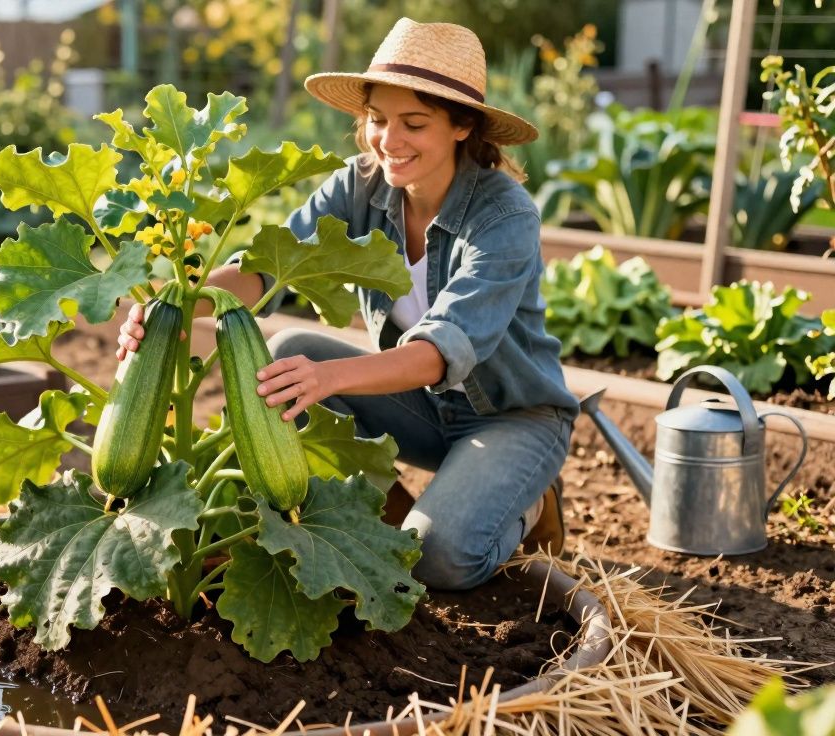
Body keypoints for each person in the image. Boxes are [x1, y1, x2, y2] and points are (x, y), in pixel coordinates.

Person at [116, 18, 578, 591]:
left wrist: (328, 377)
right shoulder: (357, 185)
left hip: (513, 418)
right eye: (379, 120)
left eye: (414, 123)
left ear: (462, 127)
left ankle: (530, 504)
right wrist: (174, 308)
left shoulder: (505, 216)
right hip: (423, 410)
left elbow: (439, 352)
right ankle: (393, 522)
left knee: (440, 561)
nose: (390, 140)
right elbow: (265, 271)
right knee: (286, 356)